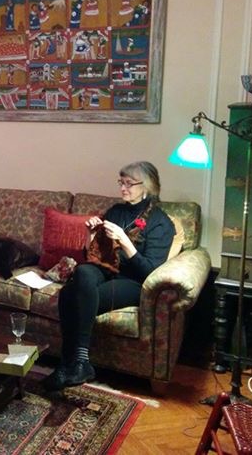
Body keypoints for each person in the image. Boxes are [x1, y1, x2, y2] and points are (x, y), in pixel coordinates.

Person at [43, 161, 175, 390]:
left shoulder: (160, 223)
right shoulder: (116, 211)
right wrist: (91, 234)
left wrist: (124, 241)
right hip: (106, 269)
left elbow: (149, 271)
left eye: (129, 183)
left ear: (147, 186)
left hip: (133, 281)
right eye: (121, 182)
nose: (123, 188)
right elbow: (91, 255)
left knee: (69, 295)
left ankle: (68, 364)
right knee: (82, 271)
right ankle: (80, 363)